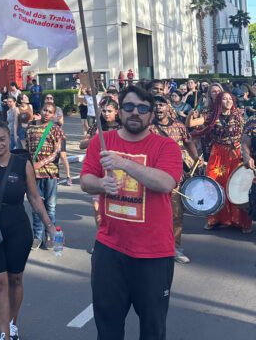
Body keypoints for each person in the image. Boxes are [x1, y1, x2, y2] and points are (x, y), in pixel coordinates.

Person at [80, 85, 182, 340]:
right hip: (110, 250)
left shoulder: (166, 146)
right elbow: (85, 180)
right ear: (120, 111)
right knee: (108, 329)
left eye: (142, 108)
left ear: (151, 115)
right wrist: (101, 184)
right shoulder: (101, 141)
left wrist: (123, 163)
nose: (135, 112)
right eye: (128, 106)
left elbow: (166, 182)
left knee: (153, 329)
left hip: (154, 254)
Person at [0, 119, 57, 340]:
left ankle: (12, 323)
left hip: (17, 229)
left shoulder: (22, 164)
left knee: (15, 279)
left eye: (2, 139)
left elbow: (34, 198)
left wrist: (49, 227)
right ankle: (4, 334)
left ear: (9, 138)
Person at [192, 92, 251, 233]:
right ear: (219, 101)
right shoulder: (211, 116)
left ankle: (242, 221)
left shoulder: (239, 116)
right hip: (217, 153)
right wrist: (191, 114)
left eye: (230, 99)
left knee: (237, 186)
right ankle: (214, 219)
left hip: (235, 154)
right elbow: (191, 124)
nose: (228, 101)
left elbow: (248, 135)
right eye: (225, 99)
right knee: (213, 184)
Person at [149, 95, 198, 264]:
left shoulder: (179, 126)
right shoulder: (147, 128)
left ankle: (175, 248)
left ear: (168, 107)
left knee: (176, 213)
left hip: (175, 177)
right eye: (154, 105)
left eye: (161, 105)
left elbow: (189, 142)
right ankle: (154, 247)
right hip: (153, 177)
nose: (158, 108)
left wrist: (195, 160)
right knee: (153, 214)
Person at [24, 103, 68, 250]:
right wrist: (29, 165)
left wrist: (40, 163)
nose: (46, 113)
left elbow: (56, 152)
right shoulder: (30, 126)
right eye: (45, 110)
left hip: (50, 172)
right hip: (33, 173)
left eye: (50, 112)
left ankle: (49, 236)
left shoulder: (55, 128)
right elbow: (27, 147)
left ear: (54, 115)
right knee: (36, 206)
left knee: (50, 206)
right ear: (40, 110)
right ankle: (36, 236)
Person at [80, 98, 121, 230]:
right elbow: (82, 144)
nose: (106, 113)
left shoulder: (123, 127)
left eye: (109, 111)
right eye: (104, 111)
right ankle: (101, 234)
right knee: (97, 208)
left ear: (117, 112)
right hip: (98, 170)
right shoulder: (97, 126)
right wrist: (98, 138)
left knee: (116, 207)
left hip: (118, 171)